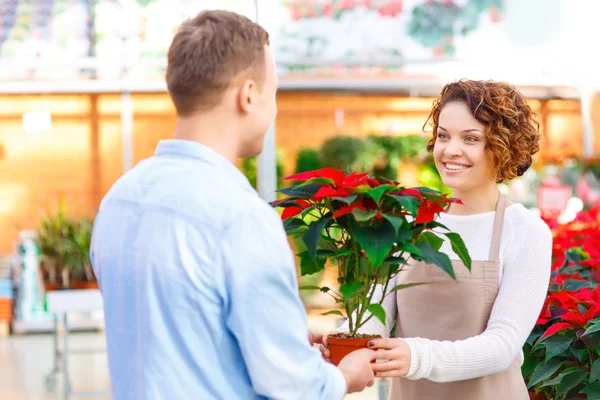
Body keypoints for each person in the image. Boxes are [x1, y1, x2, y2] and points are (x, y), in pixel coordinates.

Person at [90, 10, 376, 400]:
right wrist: (346, 376)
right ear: (249, 95)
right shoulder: (239, 217)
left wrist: (284, 338)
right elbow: (293, 385)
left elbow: (174, 334)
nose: (273, 109)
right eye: (273, 94)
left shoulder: (120, 200)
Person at [320, 79, 552, 399]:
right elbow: (376, 313)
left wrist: (416, 357)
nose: (450, 150)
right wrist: (343, 343)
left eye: (470, 138)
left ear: (503, 146)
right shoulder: (407, 222)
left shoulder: (526, 230)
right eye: (443, 135)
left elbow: (503, 345)